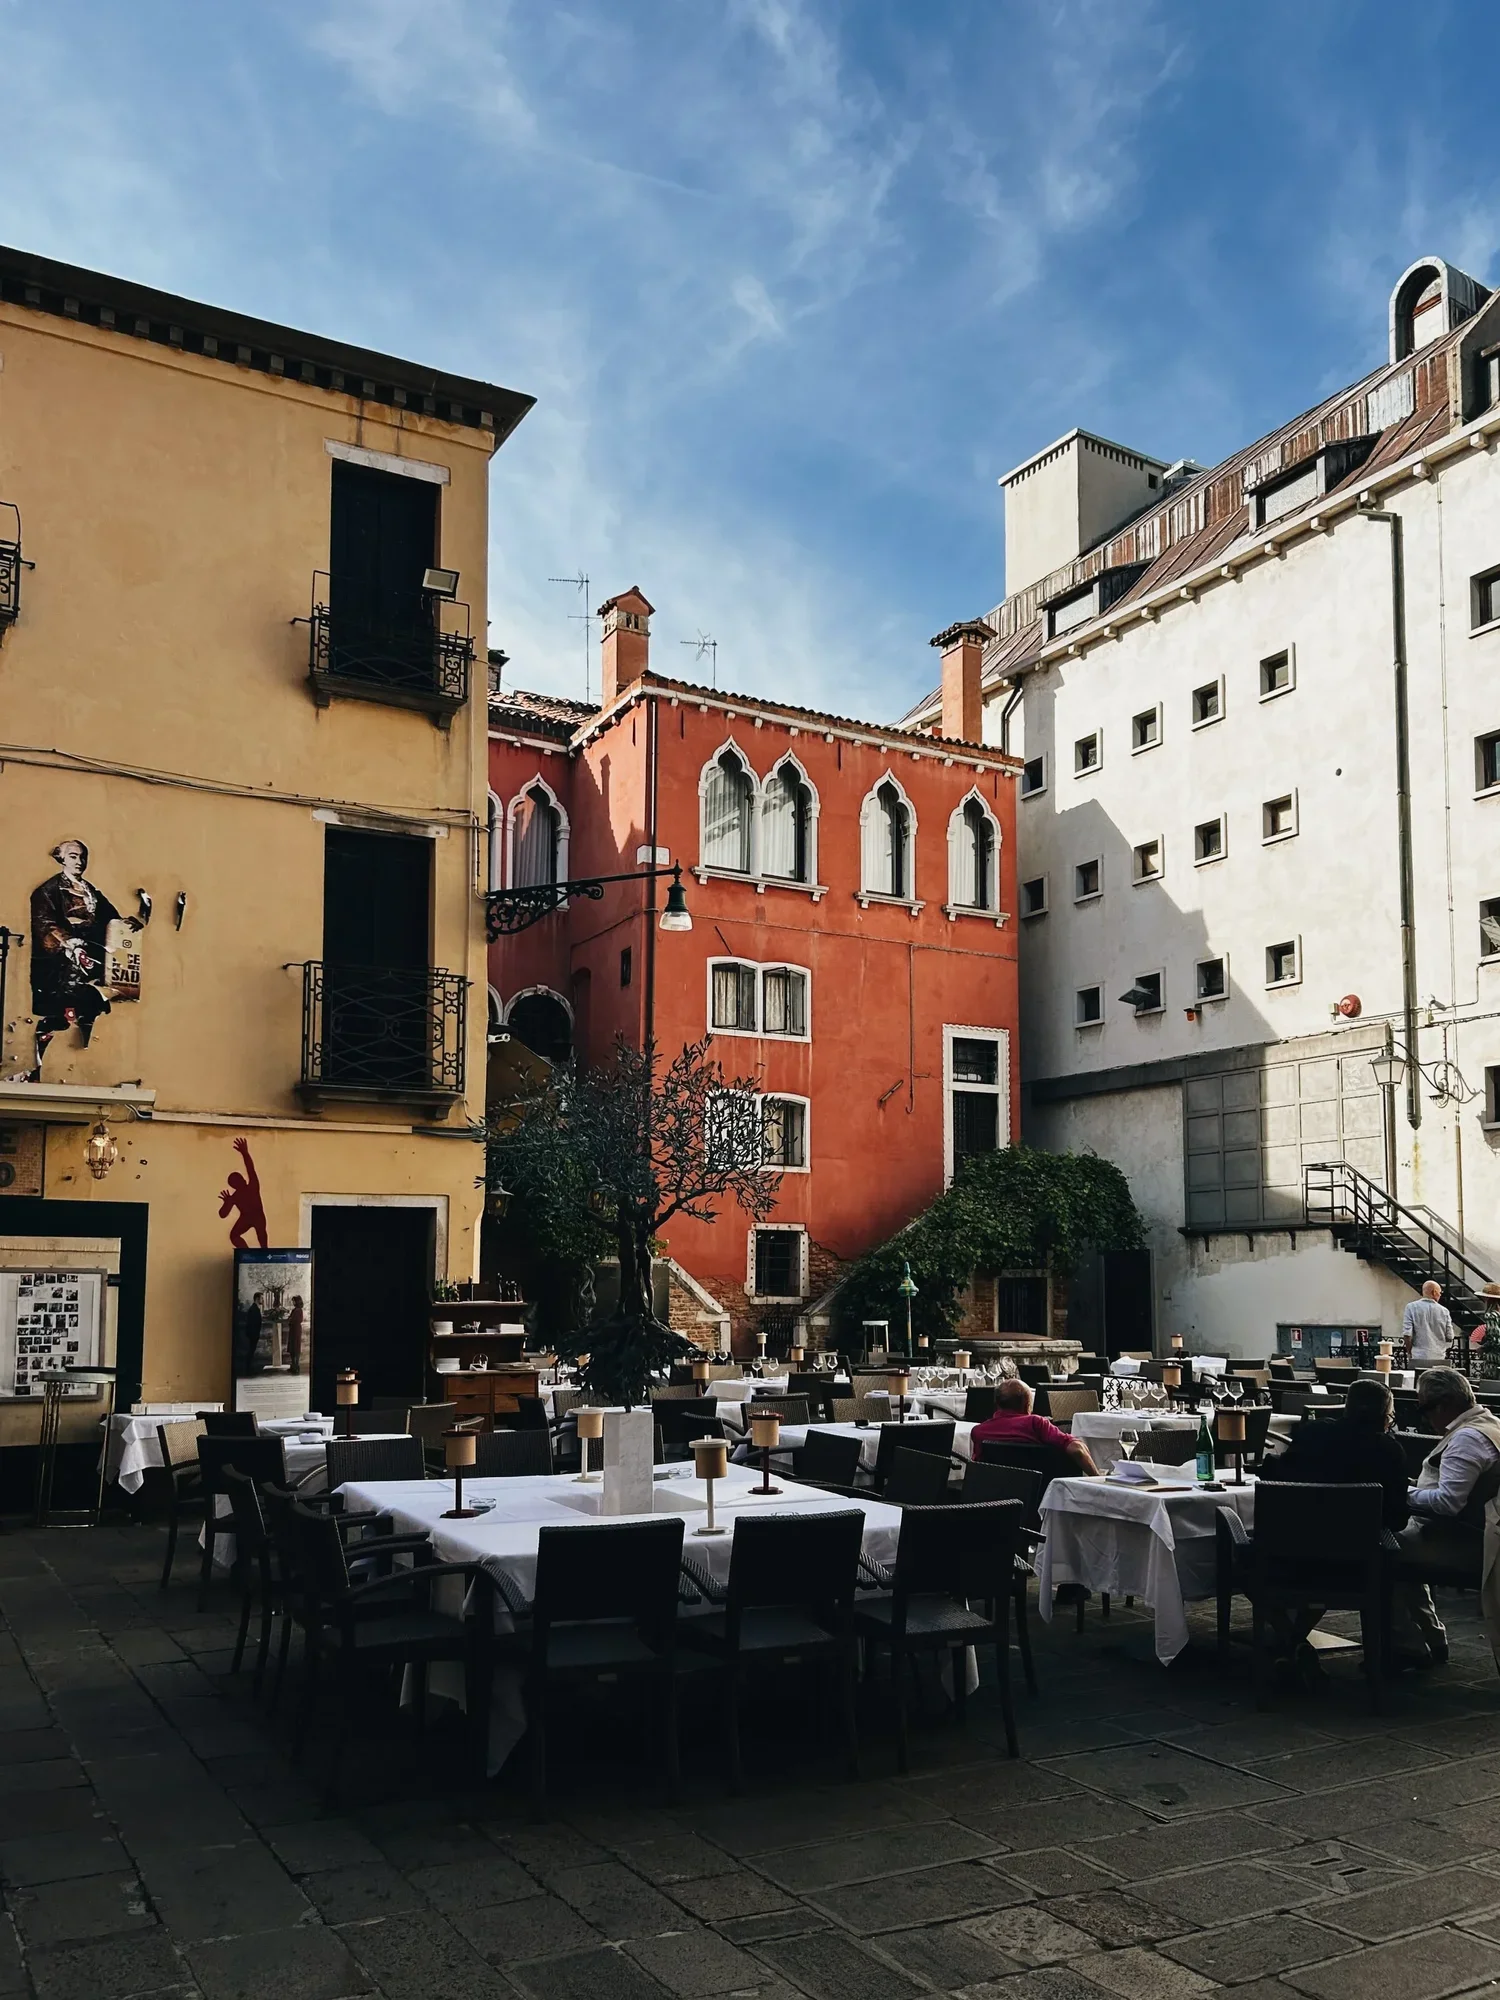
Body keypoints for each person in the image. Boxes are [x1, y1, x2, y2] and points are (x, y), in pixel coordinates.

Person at [1396, 1365, 1500, 1663]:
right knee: (1396, 1544)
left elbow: (1447, 1502)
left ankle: (1406, 1643)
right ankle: (1430, 1634)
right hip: (1478, 1535)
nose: (1426, 1419)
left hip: (1459, 1541)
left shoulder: (1467, 1440)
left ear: (1442, 1406)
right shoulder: (1490, 1425)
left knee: (1381, 1548)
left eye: (1425, 1410)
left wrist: (1401, 1493)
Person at [1259, 1377, 1408, 1530]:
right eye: (1390, 1418)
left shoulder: (1312, 1432)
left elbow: (1281, 1480)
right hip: (1361, 1546)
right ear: (1383, 1417)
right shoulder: (1389, 1451)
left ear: (1347, 1407)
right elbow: (1396, 1520)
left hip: (1295, 1536)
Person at [970, 1376, 1099, 1475]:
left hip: (997, 1496)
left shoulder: (979, 1432)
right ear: (1027, 1403)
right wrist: (1096, 1477)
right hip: (1042, 1492)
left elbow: (979, 1467)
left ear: (997, 1403)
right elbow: (1077, 1450)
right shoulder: (1036, 1423)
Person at [1403, 1281, 1455, 1366]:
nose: (1440, 1295)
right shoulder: (1444, 1311)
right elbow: (1450, 1336)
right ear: (1434, 1292)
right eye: (1440, 1292)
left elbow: (1407, 1334)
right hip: (1439, 1357)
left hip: (1418, 1356)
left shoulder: (1411, 1307)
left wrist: (1409, 1352)